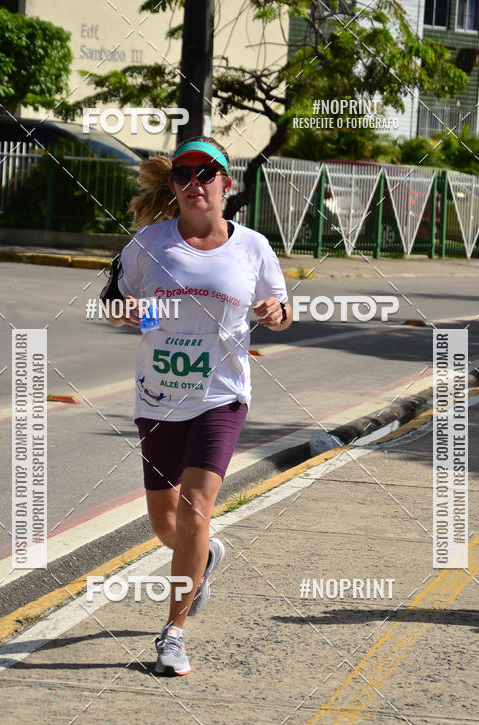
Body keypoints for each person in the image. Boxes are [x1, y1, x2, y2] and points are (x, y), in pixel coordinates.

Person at [107, 136, 291, 675]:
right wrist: (128, 311)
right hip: (159, 396)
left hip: (221, 396)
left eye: (206, 173)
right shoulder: (147, 244)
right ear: (174, 185)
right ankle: (204, 556)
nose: (195, 183)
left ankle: (173, 633)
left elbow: (281, 311)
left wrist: (274, 312)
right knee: (166, 524)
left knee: (193, 512)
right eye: (184, 174)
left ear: (226, 185)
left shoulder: (253, 247)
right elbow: (113, 305)